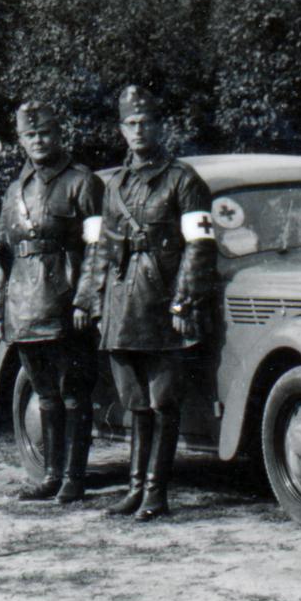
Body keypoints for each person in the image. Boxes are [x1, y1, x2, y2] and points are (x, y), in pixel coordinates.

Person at [75, 86, 216, 521]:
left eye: (146, 122)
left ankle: (157, 492)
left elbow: (200, 247)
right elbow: (98, 249)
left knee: (163, 402)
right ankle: (135, 489)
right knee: (134, 401)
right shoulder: (112, 185)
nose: (138, 130)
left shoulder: (183, 180)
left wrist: (184, 302)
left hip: (162, 304)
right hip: (121, 303)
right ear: (121, 130)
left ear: (159, 126)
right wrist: (90, 300)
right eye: (131, 124)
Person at [0, 102, 104, 503]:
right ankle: (51, 475)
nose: (39, 141)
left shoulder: (82, 182)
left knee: (74, 392)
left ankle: (74, 476)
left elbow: (97, 248)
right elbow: (3, 253)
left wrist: (85, 300)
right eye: (30, 135)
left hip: (65, 305)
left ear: (59, 135)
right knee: (45, 394)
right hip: (23, 306)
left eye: (45, 133)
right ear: (21, 141)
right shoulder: (15, 190)